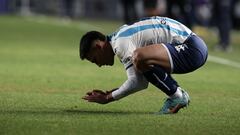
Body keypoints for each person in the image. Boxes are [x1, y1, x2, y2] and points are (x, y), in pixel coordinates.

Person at [79, 16, 208, 114]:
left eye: (95, 60)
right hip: (194, 46)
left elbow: (137, 82)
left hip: (191, 49)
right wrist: (112, 92)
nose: (99, 65)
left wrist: (108, 97)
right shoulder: (119, 37)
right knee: (140, 60)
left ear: (98, 46)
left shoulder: (120, 44)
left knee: (139, 57)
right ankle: (177, 95)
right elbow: (139, 79)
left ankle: (177, 96)